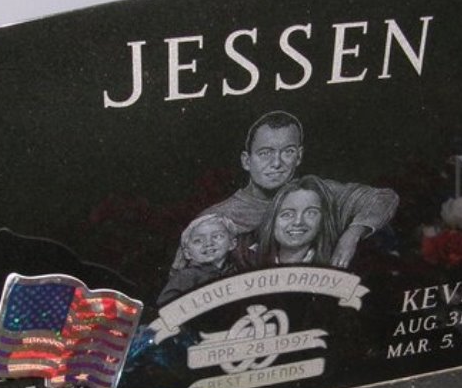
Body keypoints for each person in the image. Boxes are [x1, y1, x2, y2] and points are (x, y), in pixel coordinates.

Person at [199, 111, 398, 269]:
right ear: (246, 160)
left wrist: (353, 234)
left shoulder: (320, 193)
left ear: (299, 156)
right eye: (265, 153)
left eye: (288, 152)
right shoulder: (215, 218)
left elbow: (383, 198)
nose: (276, 163)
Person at [157, 214, 240, 304]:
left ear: (232, 243)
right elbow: (166, 305)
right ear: (187, 253)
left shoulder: (236, 271)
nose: (208, 243)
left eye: (217, 236)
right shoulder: (186, 276)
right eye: (198, 241)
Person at [256, 176, 339, 265]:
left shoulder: (334, 267)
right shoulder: (249, 261)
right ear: (272, 220)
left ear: (323, 219)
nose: (298, 222)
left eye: (310, 213)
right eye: (287, 214)